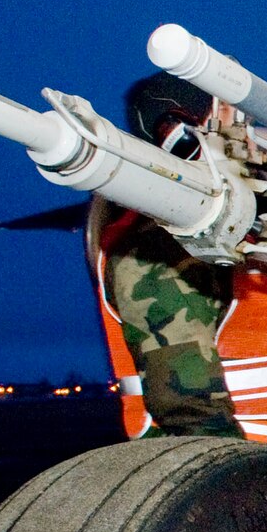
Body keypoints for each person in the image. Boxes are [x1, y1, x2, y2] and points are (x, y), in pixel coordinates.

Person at [97, 75, 241, 438]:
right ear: (187, 135)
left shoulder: (215, 233)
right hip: (219, 468)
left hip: (257, 464)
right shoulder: (158, 246)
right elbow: (189, 408)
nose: (243, 125)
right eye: (228, 111)